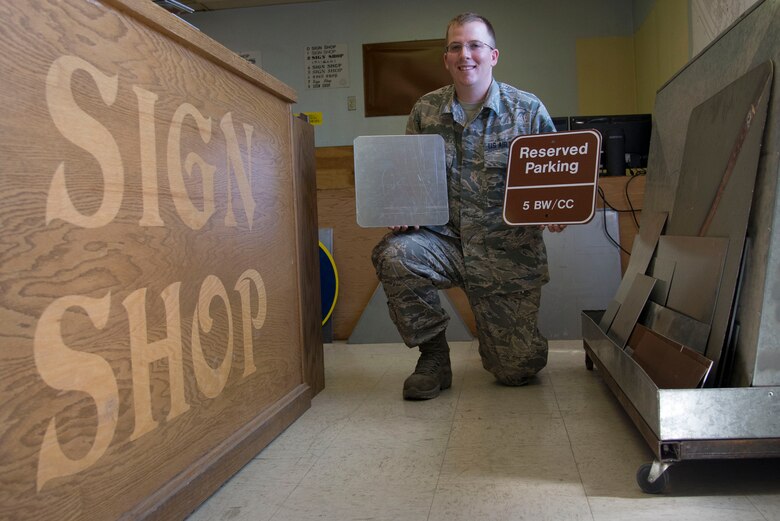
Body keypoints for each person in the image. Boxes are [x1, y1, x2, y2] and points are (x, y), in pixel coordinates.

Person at [371, 12, 566, 400]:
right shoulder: (425, 112)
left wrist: (557, 210)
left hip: (507, 255)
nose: (466, 54)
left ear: (494, 55)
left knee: (516, 371)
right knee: (395, 255)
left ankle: (506, 342)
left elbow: (556, 178)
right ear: (446, 58)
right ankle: (433, 356)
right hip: (446, 245)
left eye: (475, 45)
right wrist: (403, 212)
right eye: (456, 46)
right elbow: (410, 183)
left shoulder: (527, 111)